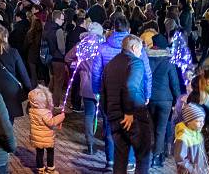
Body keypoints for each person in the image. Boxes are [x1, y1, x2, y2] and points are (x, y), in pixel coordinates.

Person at [101, 34, 152, 174]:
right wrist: (129, 112)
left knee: (120, 156)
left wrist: (108, 114)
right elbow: (131, 87)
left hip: (114, 116)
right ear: (134, 47)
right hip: (133, 116)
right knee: (143, 154)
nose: (141, 53)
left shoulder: (110, 64)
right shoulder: (136, 62)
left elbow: (103, 91)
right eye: (140, 49)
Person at [64, 21, 104, 155]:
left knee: (89, 114)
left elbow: (68, 58)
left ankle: (90, 144)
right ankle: (106, 141)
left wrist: (79, 65)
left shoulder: (82, 45)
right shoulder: (102, 47)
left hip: (86, 84)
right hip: (101, 83)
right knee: (104, 114)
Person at [147, 33, 181, 167]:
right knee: (161, 129)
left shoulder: (146, 60)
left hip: (150, 99)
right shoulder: (168, 62)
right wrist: (177, 100)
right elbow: (174, 83)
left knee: (154, 127)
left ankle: (158, 153)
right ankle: (157, 156)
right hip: (165, 100)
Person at [0, 24, 31, 124]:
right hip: (11, 93)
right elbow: (23, 73)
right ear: (5, 37)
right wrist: (28, 89)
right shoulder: (13, 52)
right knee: (8, 123)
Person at [28, 84, 65, 174]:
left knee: (39, 153)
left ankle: (40, 169)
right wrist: (60, 117)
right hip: (46, 137)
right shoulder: (44, 112)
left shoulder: (32, 110)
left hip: (37, 137)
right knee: (50, 152)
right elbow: (51, 122)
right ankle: (50, 169)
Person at [173, 102, 208, 174]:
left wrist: (205, 167)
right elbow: (180, 160)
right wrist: (193, 170)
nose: (202, 124)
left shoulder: (198, 134)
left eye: (203, 121)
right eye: (198, 121)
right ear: (189, 122)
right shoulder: (183, 138)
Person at [43, 10, 67, 108]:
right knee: (59, 82)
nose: (63, 21)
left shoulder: (47, 28)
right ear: (57, 19)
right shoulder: (59, 30)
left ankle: (46, 99)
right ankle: (55, 103)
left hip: (50, 58)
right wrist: (64, 53)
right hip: (58, 58)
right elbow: (61, 47)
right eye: (62, 19)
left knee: (53, 79)